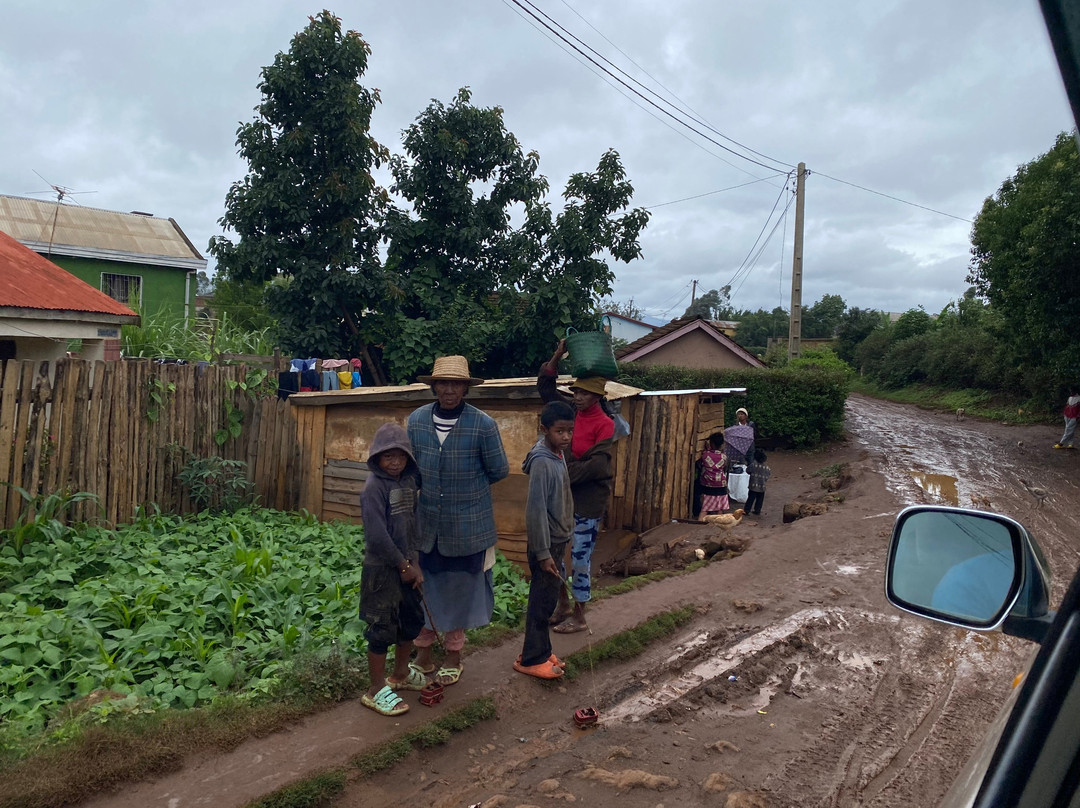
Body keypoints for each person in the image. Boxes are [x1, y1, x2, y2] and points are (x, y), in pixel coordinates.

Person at [407, 356, 509, 686]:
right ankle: (422, 653)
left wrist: (465, 491)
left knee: (461, 592)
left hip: (468, 527)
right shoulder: (417, 421)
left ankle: (453, 655)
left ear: (465, 388)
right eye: (443, 383)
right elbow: (411, 470)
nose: (449, 390)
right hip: (427, 527)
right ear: (433, 386)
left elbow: (499, 470)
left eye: (456, 384)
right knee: (426, 589)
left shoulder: (483, 425)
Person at [537, 339, 615, 634]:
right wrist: (557, 354)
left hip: (589, 500)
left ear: (597, 396)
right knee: (556, 553)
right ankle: (563, 606)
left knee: (581, 557)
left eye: (585, 392)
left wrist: (561, 471)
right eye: (577, 391)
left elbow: (598, 467)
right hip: (565, 497)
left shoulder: (605, 423)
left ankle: (581, 617)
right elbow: (545, 388)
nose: (579, 396)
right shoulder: (568, 413)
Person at [358, 423, 426, 716]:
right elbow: (376, 535)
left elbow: (413, 524)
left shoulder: (408, 483)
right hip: (382, 572)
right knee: (381, 629)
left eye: (400, 456)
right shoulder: (373, 488)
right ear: (377, 458)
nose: (395, 462)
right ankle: (375, 689)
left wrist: (416, 564)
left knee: (409, 621)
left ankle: (400, 674)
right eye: (388, 457)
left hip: (408, 566)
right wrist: (402, 565)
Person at [515, 400, 576, 679]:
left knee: (548, 598)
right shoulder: (541, 461)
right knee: (541, 602)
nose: (565, 437)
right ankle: (530, 659)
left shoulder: (558, 454)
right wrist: (542, 553)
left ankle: (540, 650)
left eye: (569, 431)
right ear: (544, 429)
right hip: (546, 543)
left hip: (557, 539)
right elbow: (536, 510)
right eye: (559, 431)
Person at [697, 432, 729, 516]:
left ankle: (700, 524)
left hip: (708, 484)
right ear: (722, 444)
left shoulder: (705, 454)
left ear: (711, 443)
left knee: (705, 509)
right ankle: (718, 526)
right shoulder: (724, 457)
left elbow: (700, 465)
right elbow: (725, 468)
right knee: (719, 510)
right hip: (721, 485)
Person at [746, 448, 772, 516]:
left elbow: (747, 471)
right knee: (760, 499)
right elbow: (767, 476)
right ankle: (757, 510)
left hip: (753, 486)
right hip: (762, 486)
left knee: (750, 498)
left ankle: (747, 510)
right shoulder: (766, 467)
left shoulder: (753, 465)